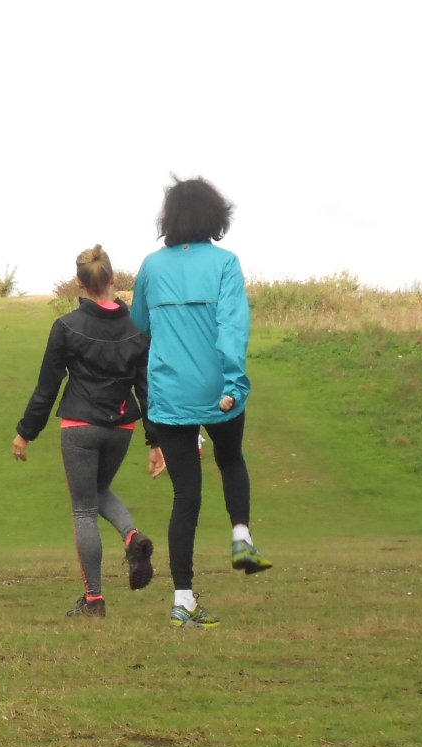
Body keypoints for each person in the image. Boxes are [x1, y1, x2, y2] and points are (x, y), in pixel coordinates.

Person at [130, 176, 272, 629]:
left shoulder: (152, 267)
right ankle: (241, 535)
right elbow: (232, 325)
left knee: (185, 497)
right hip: (218, 389)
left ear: (168, 219)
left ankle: (183, 600)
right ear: (216, 215)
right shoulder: (227, 263)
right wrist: (233, 381)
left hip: (170, 394)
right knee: (231, 459)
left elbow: (139, 323)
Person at [12, 246, 157, 617]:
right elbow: (146, 389)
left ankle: (94, 600)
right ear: (112, 280)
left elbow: (47, 387)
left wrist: (25, 432)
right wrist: (155, 440)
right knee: (97, 490)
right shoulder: (137, 332)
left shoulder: (66, 327)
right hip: (122, 426)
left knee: (83, 509)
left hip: (80, 426)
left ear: (79, 282)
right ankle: (131, 537)